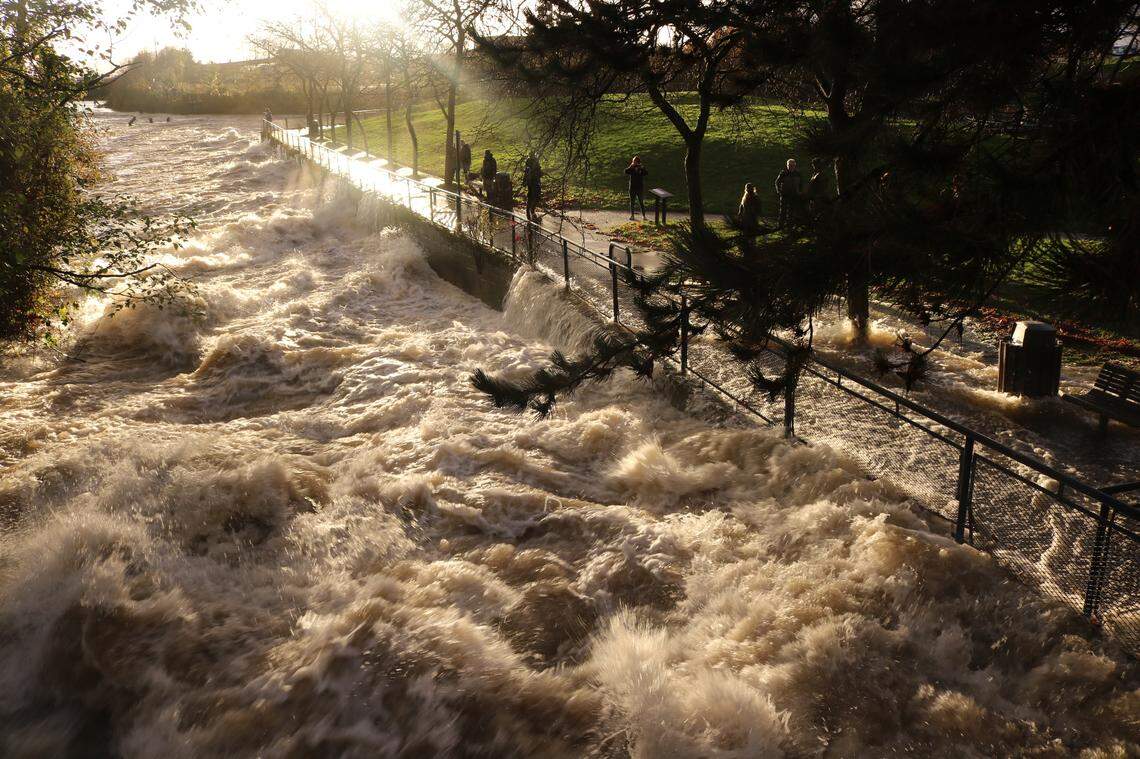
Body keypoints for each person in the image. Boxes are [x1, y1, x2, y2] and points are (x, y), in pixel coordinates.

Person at [774, 158, 802, 229]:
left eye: (792, 165)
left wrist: (799, 192)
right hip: (785, 195)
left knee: (791, 211)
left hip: (794, 195)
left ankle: (789, 226)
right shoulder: (783, 173)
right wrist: (779, 191)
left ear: (795, 165)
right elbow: (777, 182)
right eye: (789, 165)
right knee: (783, 211)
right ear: (787, 165)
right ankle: (780, 226)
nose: (791, 167)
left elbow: (801, 184)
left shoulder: (798, 173)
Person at [625, 156, 648, 220]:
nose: (633, 162)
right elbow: (626, 171)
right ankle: (632, 215)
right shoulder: (631, 168)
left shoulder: (641, 168)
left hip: (639, 188)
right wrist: (630, 166)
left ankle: (644, 216)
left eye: (634, 161)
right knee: (632, 202)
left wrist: (642, 168)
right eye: (633, 161)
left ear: (638, 162)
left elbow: (646, 173)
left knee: (641, 202)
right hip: (632, 187)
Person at [523, 154, 542, 222]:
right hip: (534, 183)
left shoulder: (530, 165)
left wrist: (524, 181)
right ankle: (531, 210)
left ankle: (530, 210)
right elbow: (539, 174)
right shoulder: (531, 166)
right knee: (534, 196)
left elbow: (526, 174)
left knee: (532, 196)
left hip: (533, 183)